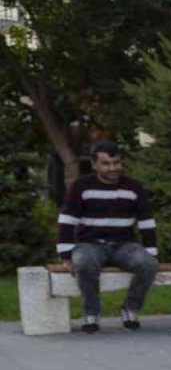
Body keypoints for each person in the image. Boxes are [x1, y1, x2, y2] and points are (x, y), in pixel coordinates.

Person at [56, 141, 159, 334]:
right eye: (106, 163)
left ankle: (130, 308)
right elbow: (67, 221)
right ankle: (92, 312)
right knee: (84, 263)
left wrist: (151, 253)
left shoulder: (134, 188)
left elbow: (146, 222)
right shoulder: (81, 187)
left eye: (116, 163)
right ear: (95, 165)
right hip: (90, 244)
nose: (113, 168)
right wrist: (66, 255)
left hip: (124, 245)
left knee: (149, 265)